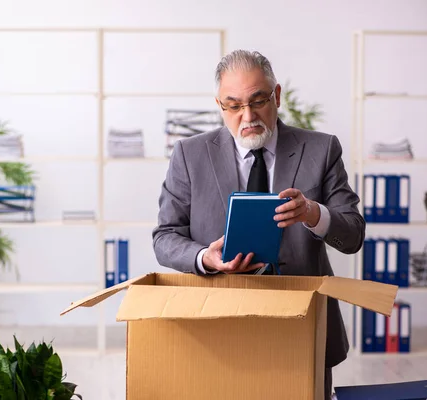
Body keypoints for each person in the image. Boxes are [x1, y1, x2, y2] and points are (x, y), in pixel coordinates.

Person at [152, 49, 365, 400]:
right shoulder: (189, 155)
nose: (247, 116)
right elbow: (165, 237)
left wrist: (313, 213)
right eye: (233, 106)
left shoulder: (321, 149)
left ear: (277, 96)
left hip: (303, 323)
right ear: (220, 105)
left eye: (258, 100)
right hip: (218, 324)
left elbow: (353, 234)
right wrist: (206, 257)